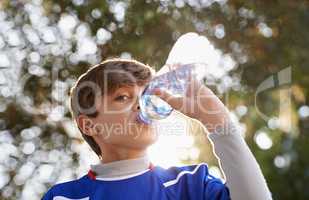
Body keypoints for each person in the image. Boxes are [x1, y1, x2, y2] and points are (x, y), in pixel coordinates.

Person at [42, 58, 272, 200]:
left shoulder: (189, 184)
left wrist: (218, 121)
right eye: (123, 97)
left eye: (147, 95)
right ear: (89, 124)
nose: (143, 105)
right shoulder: (63, 197)